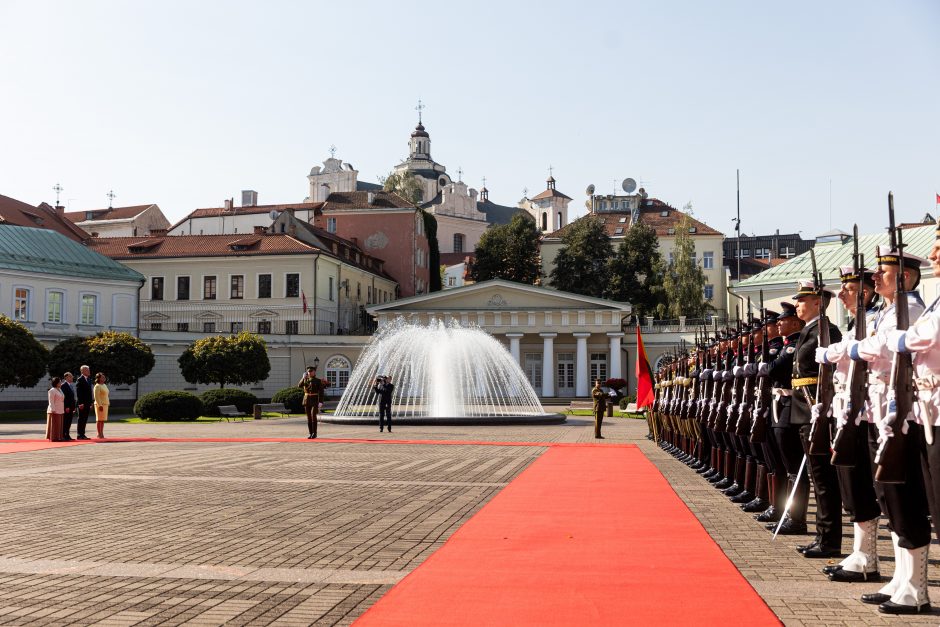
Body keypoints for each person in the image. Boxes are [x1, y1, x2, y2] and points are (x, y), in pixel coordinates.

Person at [826, 244, 932, 614]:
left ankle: (917, 588)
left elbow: (883, 349)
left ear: (903, 277)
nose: (875, 278)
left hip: (901, 414)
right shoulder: (889, 312)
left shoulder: (913, 310)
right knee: (888, 496)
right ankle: (903, 579)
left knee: (904, 497)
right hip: (881, 412)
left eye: (882, 273)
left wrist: (864, 346)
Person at [816, 266, 881, 583]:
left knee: (864, 487)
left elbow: (870, 351)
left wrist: (833, 351)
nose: (840, 294)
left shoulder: (877, 318)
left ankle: (867, 559)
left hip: (869, 413)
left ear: (865, 293)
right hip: (851, 410)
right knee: (852, 487)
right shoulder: (860, 321)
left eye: (848, 289)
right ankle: (862, 555)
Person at [789, 279, 843, 558]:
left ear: (818, 303)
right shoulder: (807, 331)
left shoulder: (827, 331)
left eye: (802, 299)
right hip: (804, 408)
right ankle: (823, 536)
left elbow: (833, 371)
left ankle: (830, 540)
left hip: (817, 408)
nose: (797, 304)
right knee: (816, 473)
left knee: (823, 477)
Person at [298, 365, 324, 439]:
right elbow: (299, 385)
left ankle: (314, 433)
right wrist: (303, 378)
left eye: (310, 371)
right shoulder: (305, 379)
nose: (309, 373)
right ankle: (310, 433)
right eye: (308, 372)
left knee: (313, 416)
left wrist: (321, 402)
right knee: (308, 417)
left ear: (314, 372)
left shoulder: (318, 381)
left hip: (314, 400)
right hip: (307, 400)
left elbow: (321, 392)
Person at [75, 365, 93, 440]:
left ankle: (83, 434)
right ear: (82, 371)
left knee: (85, 419)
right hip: (82, 403)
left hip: (87, 403)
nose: (89, 371)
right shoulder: (80, 379)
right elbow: (79, 393)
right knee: (81, 418)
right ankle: (79, 435)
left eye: (88, 370)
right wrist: (80, 403)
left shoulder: (89, 379)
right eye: (87, 370)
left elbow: (89, 393)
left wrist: (91, 403)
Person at [45, 377, 65, 442]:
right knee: (54, 424)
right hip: (54, 410)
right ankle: (53, 437)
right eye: (59, 382)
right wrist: (53, 409)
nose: (60, 383)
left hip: (60, 409)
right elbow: (51, 401)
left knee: (59, 424)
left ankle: (59, 437)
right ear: (55, 383)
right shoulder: (52, 390)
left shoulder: (60, 389)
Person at [93, 372, 109, 439]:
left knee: (102, 420)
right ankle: (99, 434)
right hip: (100, 405)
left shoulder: (104, 385)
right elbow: (96, 397)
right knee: (99, 420)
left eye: (104, 377)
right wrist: (100, 405)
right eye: (102, 377)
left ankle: (101, 433)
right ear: (99, 378)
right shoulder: (97, 386)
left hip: (105, 404)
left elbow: (106, 395)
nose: (104, 378)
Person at [61, 372, 76, 441]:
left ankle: (67, 434)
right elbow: (65, 397)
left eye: (72, 376)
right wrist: (66, 406)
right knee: (66, 421)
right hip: (67, 407)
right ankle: (64, 435)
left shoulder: (71, 385)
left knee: (69, 421)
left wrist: (74, 407)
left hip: (71, 407)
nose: (72, 377)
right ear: (66, 377)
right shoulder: (63, 385)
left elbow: (72, 398)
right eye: (70, 376)